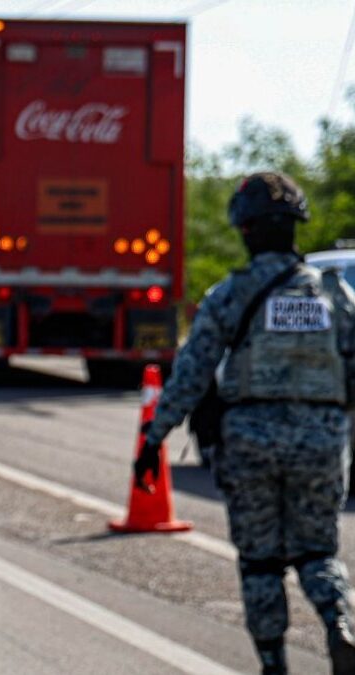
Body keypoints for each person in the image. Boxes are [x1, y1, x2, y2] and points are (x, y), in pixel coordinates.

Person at [137, 172, 355, 674]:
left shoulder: (229, 295)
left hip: (250, 441)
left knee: (260, 562)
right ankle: (338, 621)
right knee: (319, 550)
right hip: (321, 441)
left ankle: (274, 665)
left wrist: (154, 438)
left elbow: (190, 374)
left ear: (245, 229)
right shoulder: (335, 295)